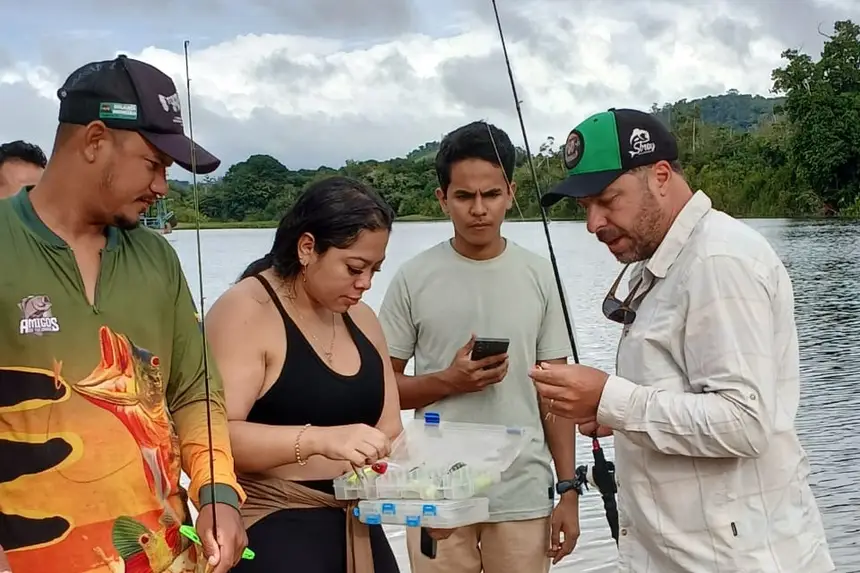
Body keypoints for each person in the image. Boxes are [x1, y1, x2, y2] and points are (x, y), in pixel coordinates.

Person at [530, 108, 835, 572]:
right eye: (584, 207)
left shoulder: (717, 261)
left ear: (660, 175)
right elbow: (692, 390)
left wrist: (612, 398)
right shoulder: (666, 259)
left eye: (609, 200)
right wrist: (608, 409)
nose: (594, 223)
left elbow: (744, 422)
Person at [0, 55, 247, 573]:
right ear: (94, 141)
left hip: (160, 556)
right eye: (154, 164)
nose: (162, 186)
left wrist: (217, 493)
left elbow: (196, 390)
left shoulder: (157, 258)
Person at [378, 120, 580, 573]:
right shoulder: (413, 277)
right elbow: (379, 388)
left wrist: (567, 488)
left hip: (523, 492)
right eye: (464, 197)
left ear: (510, 191)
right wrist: (448, 381)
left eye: (490, 195)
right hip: (435, 496)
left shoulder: (539, 273)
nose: (479, 210)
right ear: (442, 198)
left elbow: (558, 394)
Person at [205, 175, 403, 573]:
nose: (364, 284)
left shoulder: (362, 318)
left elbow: (391, 429)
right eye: (354, 268)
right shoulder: (246, 309)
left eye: (374, 271)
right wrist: (319, 440)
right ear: (308, 247)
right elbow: (212, 434)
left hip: (358, 521)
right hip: (273, 521)